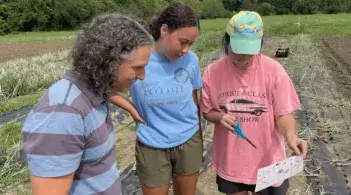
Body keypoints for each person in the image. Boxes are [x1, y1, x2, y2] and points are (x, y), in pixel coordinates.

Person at [21, 14, 154, 195]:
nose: (142, 76)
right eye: (138, 67)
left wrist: (130, 107)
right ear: (109, 62)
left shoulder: (95, 91)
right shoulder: (63, 113)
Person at [200, 11, 308, 195]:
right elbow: (207, 111)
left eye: (249, 52)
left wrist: (291, 135)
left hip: (268, 160)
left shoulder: (274, 71)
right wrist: (219, 117)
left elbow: (283, 113)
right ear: (226, 42)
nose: (243, 57)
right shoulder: (212, 72)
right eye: (238, 50)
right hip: (232, 160)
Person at [109, 3, 203, 195]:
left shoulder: (191, 60)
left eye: (190, 44)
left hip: (189, 140)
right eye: (183, 42)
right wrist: (130, 108)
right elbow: (103, 86)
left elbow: (194, 101)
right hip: (152, 145)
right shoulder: (138, 58)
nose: (186, 50)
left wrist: (199, 136)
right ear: (164, 30)